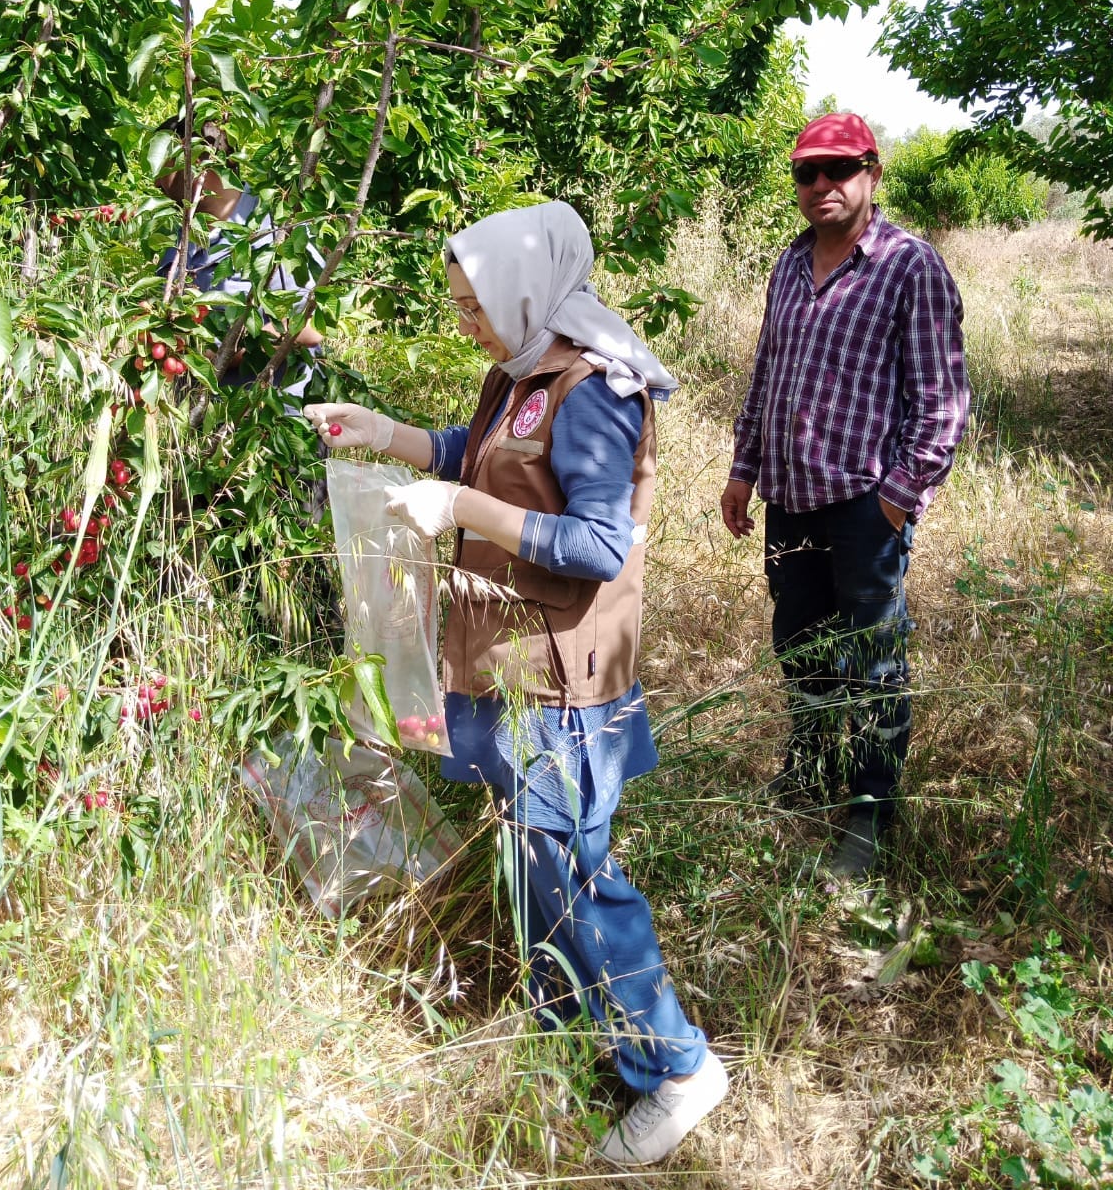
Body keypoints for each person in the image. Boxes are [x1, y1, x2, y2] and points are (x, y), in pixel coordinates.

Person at [305, 201, 729, 1166]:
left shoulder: (594, 388)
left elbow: (593, 543)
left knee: (577, 879)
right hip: (509, 667)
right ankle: (586, 1041)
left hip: (563, 682)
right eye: (458, 305)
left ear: (527, 287)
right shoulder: (521, 367)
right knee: (540, 871)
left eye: (475, 304)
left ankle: (678, 1065)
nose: (468, 322)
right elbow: (479, 453)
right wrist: (389, 434)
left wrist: (460, 508)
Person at [720, 112, 970, 882]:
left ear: (872, 173)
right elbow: (767, 374)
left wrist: (896, 498)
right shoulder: (788, 266)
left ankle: (869, 807)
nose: (822, 184)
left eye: (839, 168)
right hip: (790, 497)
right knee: (801, 645)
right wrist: (743, 469)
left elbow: (943, 400)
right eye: (807, 172)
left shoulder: (909, 265)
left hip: (866, 502)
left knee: (874, 657)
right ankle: (812, 764)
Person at [155, 118, 324, 410]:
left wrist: (220, 352)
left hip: (271, 422)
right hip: (201, 420)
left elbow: (310, 329)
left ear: (199, 161)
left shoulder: (276, 231)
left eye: (162, 166)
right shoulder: (182, 235)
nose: (157, 181)